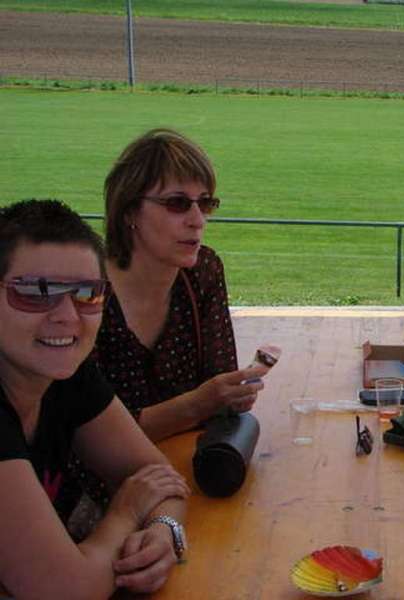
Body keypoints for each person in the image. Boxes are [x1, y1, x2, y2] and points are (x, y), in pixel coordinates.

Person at [0, 199, 189, 599]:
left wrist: (162, 533)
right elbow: (66, 589)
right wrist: (125, 513)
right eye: (36, 291)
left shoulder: (61, 373)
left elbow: (158, 476)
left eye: (87, 292)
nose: (67, 316)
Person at [97, 128, 269, 441]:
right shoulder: (85, 292)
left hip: (183, 461)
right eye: (177, 203)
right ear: (129, 210)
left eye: (205, 203)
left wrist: (232, 393)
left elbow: (219, 390)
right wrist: (199, 404)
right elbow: (90, 438)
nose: (197, 220)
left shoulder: (203, 271)